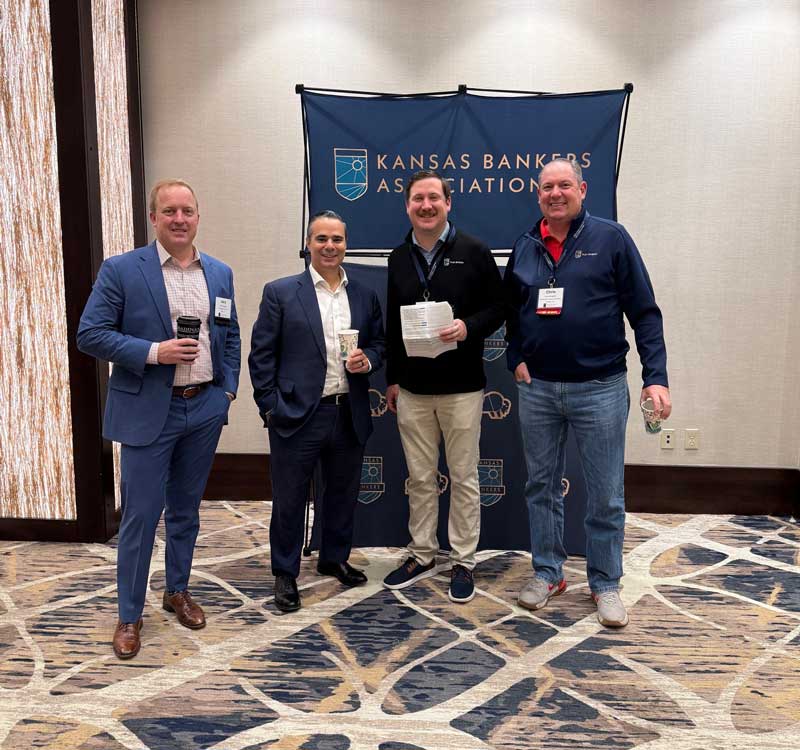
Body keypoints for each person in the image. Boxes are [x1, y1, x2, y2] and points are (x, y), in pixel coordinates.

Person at [504, 157, 671, 628]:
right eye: (547, 187)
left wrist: (655, 376)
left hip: (600, 387)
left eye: (564, 185)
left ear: (582, 190)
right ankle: (548, 572)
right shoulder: (525, 245)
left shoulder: (611, 238)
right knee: (541, 486)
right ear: (538, 194)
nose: (555, 194)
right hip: (538, 388)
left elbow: (645, 312)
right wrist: (515, 357)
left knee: (605, 493)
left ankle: (605, 582)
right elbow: (511, 312)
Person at [77, 179, 240, 658]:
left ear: (198, 216)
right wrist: (154, 352)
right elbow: (90, 334)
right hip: (150, 410)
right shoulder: (123, 269)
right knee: (141, 516)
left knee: (186, 510)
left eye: (187, 210)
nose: (179, 219)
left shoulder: (220, 272)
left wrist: (227, 391)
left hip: (204, 407)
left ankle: (177, 590)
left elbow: (229, 334)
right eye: (169, 211)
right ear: (154, 218)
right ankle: (129, 615)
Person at [249, 210, 385, 613]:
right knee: (289, 499)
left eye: (337, 239)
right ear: (308, 244)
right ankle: (285, 572)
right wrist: (270, 407)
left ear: (346, 245)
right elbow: (261, 355)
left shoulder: (363, 295)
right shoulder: (280, 292)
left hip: (348, 411)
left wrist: (369, 360)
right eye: (321, 239)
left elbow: (379, 344)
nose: (330, 246)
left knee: (342, 493)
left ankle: (334, 557)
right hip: (296, 415)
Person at [382, 170, 505, 604]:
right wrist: (392, 378)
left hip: (462, 387)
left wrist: (467, 327)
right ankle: (422, 554)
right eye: (418, 198)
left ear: (448, 203)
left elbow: (499, 307)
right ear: (407, 206)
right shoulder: (399, 258)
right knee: (419, 477)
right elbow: (392, 323)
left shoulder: (474, 251)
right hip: (413, 388)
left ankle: (463, 560)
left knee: (464, 476)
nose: (426, 205)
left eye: (434, 197)